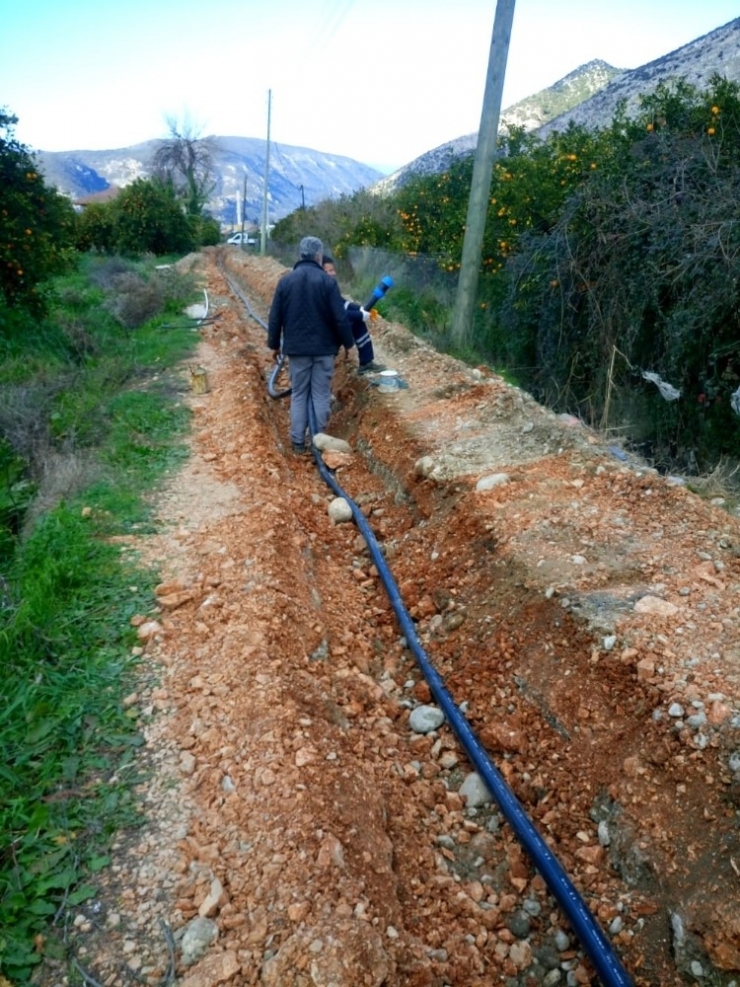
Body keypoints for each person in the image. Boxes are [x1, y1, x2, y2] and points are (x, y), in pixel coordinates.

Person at [267, 236, 355, 454]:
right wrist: (348, 344)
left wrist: (274, 345)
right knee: (320, 394)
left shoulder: (286, 282)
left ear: (300, 255)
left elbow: (275, 317)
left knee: (298, 394)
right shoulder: (327, 282)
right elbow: (339, 317)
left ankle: (297, 443)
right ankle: (318, 441)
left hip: (297, 350)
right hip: (325, 349)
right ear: (318, 256)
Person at [322, 255, 386, 375]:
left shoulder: (328, 286)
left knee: (358, 322)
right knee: (357, 320)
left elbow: (342, 303)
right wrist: (361, 315)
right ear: (321, 272)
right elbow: (339, 315)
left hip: (329, 328)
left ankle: (366, 362)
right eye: (330, 271)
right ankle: (364, 362)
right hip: (324, 335)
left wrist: (360, 309)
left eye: (333, 270)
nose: (334, 273)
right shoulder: (321, 289)